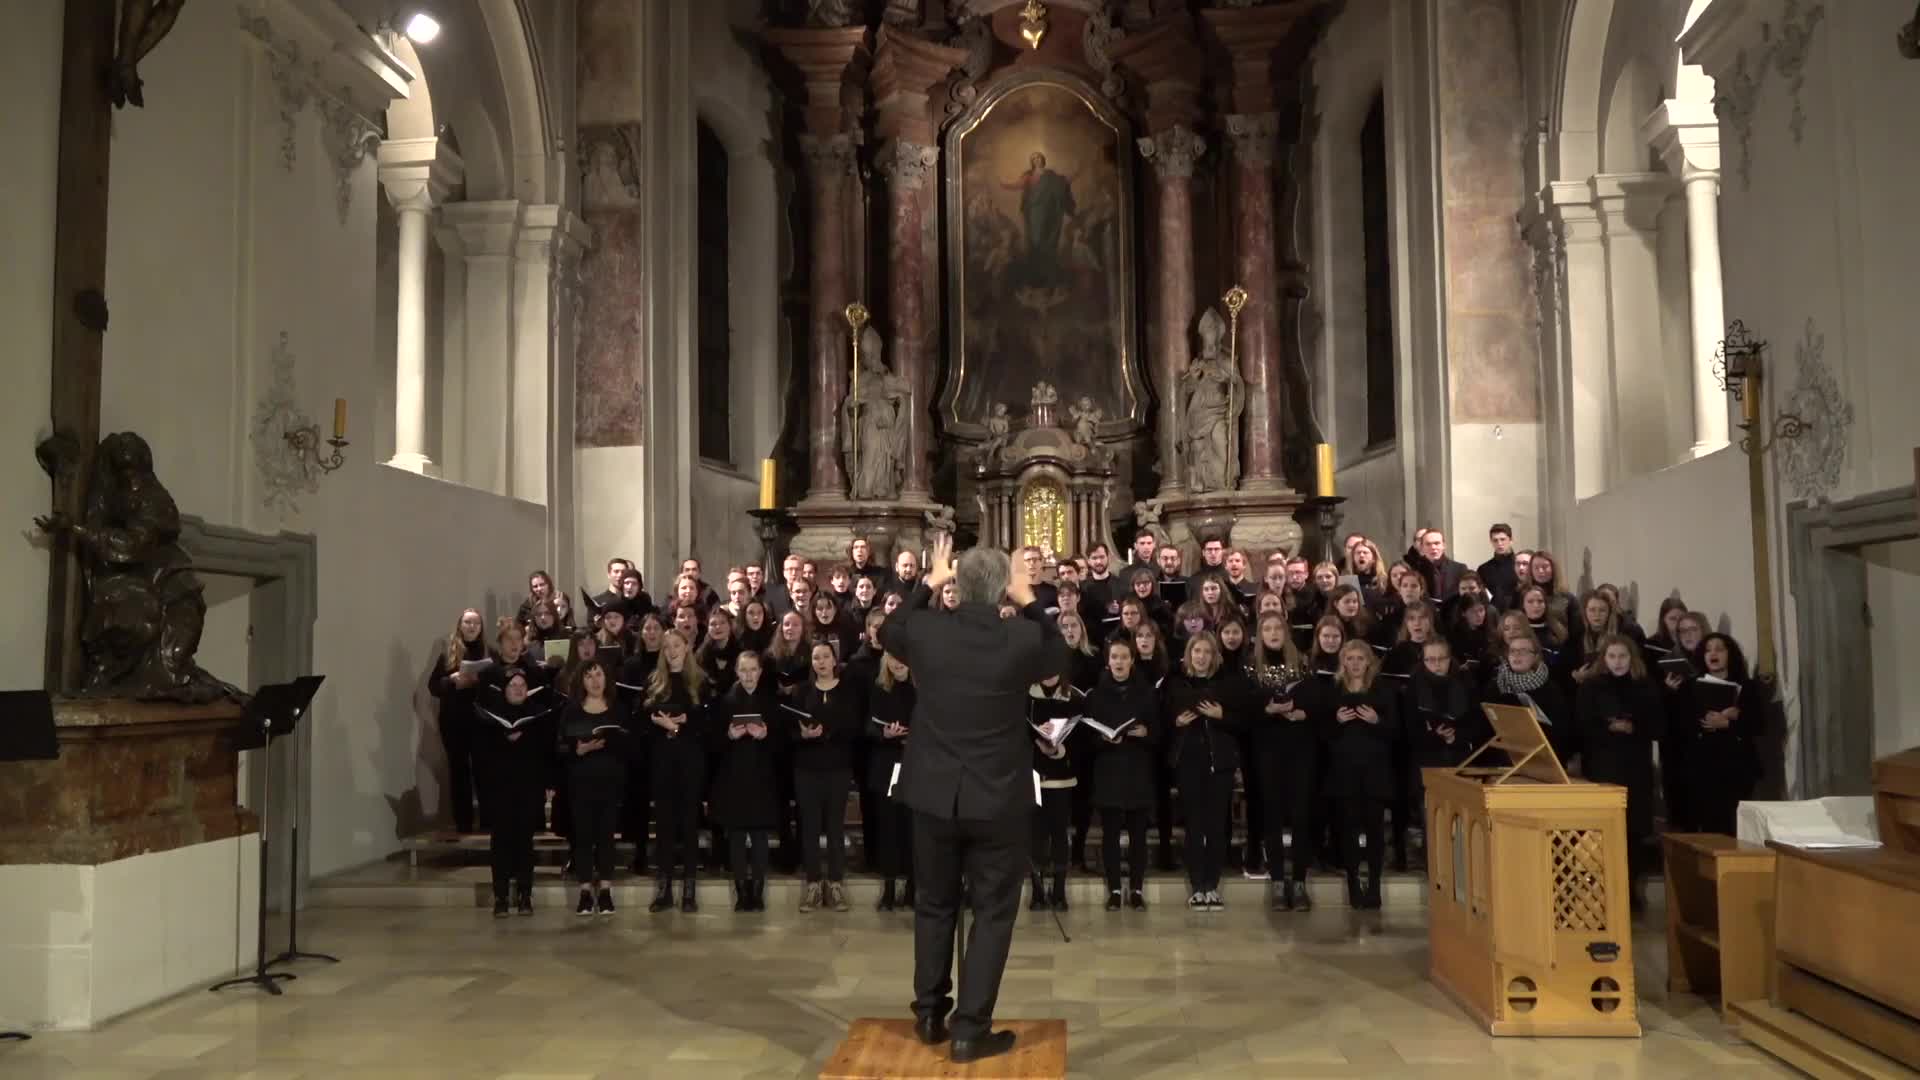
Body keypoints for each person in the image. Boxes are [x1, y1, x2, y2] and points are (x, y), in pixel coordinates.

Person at [875, 535, 1068, 1065]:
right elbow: (1060, 653)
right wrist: (1029, 598)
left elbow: (888, 631)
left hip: (934, 793)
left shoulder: (927, 629)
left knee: (934, 904)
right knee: (992, 912)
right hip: (997, 796)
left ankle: (930, 1013)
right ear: (1003, 588)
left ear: (958, 584)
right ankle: (969, 1030)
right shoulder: (1021, 637)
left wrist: (928, 584)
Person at [1576, 635, 1665, 911]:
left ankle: (1631, 890)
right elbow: (1581, 725)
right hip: (1602, 765)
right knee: (1603, 830)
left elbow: (1659, 726)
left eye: (1623, 656)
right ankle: (1602, 889)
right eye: (1612, 656)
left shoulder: (1645, 686)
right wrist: (1608, 728)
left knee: (1634, 831)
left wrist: (1634, 727)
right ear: (1604, 659)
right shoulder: (1591, 687)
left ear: (1632, 659)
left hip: (1635, 768)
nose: (1617, 662)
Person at [1164, 632, 1242, 910]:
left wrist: (1223, 716)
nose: (1201, 657)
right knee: (1195, 826)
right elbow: (1167, 717)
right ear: (1189, 654)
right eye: (1197, 651)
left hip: (1219, 763)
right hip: (1189, 762)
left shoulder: (1227, 685)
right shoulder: (1177, 684)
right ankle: (1198, 885)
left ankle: (1213, 885)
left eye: (1207, 652)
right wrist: (1177, 722)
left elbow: (1241, 722)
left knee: (1217, 827)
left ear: (1214, 656)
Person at [1320, 640, 1399, 909]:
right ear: (1343, 662)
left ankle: (1374, 886)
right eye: (1350, 659)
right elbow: (1322, 735)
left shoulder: (1382, 690)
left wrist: (1377, 721)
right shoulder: (1334, 690)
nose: (1355, 664)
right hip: (1343, 771)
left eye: (1360, 659)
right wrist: (1337, 722)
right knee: (1349, 831)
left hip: (1375, 770)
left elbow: (1395, 732)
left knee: (1375, 832)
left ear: (1369, 662)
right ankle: (1354, 885)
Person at [474, 669, 559, 916]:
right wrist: (504, 739)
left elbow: (547, 754)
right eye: (513, 685)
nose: (519, 689)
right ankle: (500, 897)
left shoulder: (538, 716)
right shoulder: (490, 719)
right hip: (500, 789)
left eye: (522, 685)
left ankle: (524, 896)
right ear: (505, 690)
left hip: (528, 789)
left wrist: (549, 783)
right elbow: (481, 757)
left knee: (525, 843)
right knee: (500, 843)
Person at [1247, 612, 1316, 910]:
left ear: (1286, 632)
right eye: (1267, 629)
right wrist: (1266, 710)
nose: (1273, 633)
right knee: (1271, 816)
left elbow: (1315, 700)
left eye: (1278, 628)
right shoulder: (1251, 666)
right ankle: (1277, 881)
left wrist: (1303, 712)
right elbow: (1244, 707)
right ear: (1260, 634)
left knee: (1302, 815)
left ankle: (1299, 882)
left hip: (1300, 747)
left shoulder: (1302, 663)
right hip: (1267, 749)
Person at [710, 650, 782, 912]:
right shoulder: (725, 702)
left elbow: (783, 744)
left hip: (762, 779)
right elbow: (712, 745)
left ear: (760, 673)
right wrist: (728, 735)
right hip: (734, 779)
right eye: (744, 670)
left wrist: (766, 735)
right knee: (737, 837)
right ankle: (741, 892)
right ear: (737, 672)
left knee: (760, 837)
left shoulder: (771, 702)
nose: (749, 675)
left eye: (754, 670)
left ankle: (758, 891)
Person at [642, 629, 708, 913]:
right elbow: (643, 723)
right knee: (665, 826)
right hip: (663, 761)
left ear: (686, 647)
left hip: (690, 761)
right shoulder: (655, 682)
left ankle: (689, 891)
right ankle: (664, 888)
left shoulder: (700, 682)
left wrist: (679, 726)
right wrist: (660, 725)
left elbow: (707, 725)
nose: (671, 651)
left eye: (676, 645)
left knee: (689, 825)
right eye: (667, 647)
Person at [558, 658, 629, 916]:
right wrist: (579, 749)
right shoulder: (572, 711)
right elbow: (560, 747)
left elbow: (630, 746)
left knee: (606, 838)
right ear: (582, 681)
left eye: (599, 675)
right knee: (584, 839)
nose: (595, 681)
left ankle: (607, 891)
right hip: (581, 784)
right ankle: (586, 892)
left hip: (610, 783)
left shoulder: (618, 709)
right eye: (589, 676)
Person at [792, 640, 859, 913]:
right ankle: (812, 885)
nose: (820, 662)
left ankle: (835, 884)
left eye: (825, 657)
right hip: (806, 768)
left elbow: (854, 727)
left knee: (834, 828)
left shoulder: (847, 691)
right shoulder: (802, 691)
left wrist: (828, 732)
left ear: (834, 661)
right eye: (816, 657)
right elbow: (789, 730)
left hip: (837, 768)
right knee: (809, 828)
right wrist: (803, 735)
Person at [427, 608, 490, 833]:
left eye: (475, 623)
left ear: (481, 628)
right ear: (460, 626)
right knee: (459, 770)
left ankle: (488, 822)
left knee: (484, 769)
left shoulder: (488, 653)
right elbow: (433, 687)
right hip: (454, 720)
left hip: (481, 720)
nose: (471, 627)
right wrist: (451, 680)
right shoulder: (449, 654)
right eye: (467, 623)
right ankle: (463, 823)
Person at [866, 652, 917, 912]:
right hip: (885, 766)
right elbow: (867, 726)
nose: (898, 662)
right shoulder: (878, 689)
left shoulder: (922, 687)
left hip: (914, 766)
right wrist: (884, 733)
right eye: (893, 657)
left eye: (902, 657)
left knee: (911, 830)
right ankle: (888, 889)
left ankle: (911, 887)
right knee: (887, 830)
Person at [1477, 523, 1520, 612]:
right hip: (1494, 616)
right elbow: (1481, 597)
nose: (1499, 543)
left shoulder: (1521, 565)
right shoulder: (1484, 569)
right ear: (1491, 542)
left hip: (1519, 614)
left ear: (1511, 540)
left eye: (1503, 539)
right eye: (1495, 540)